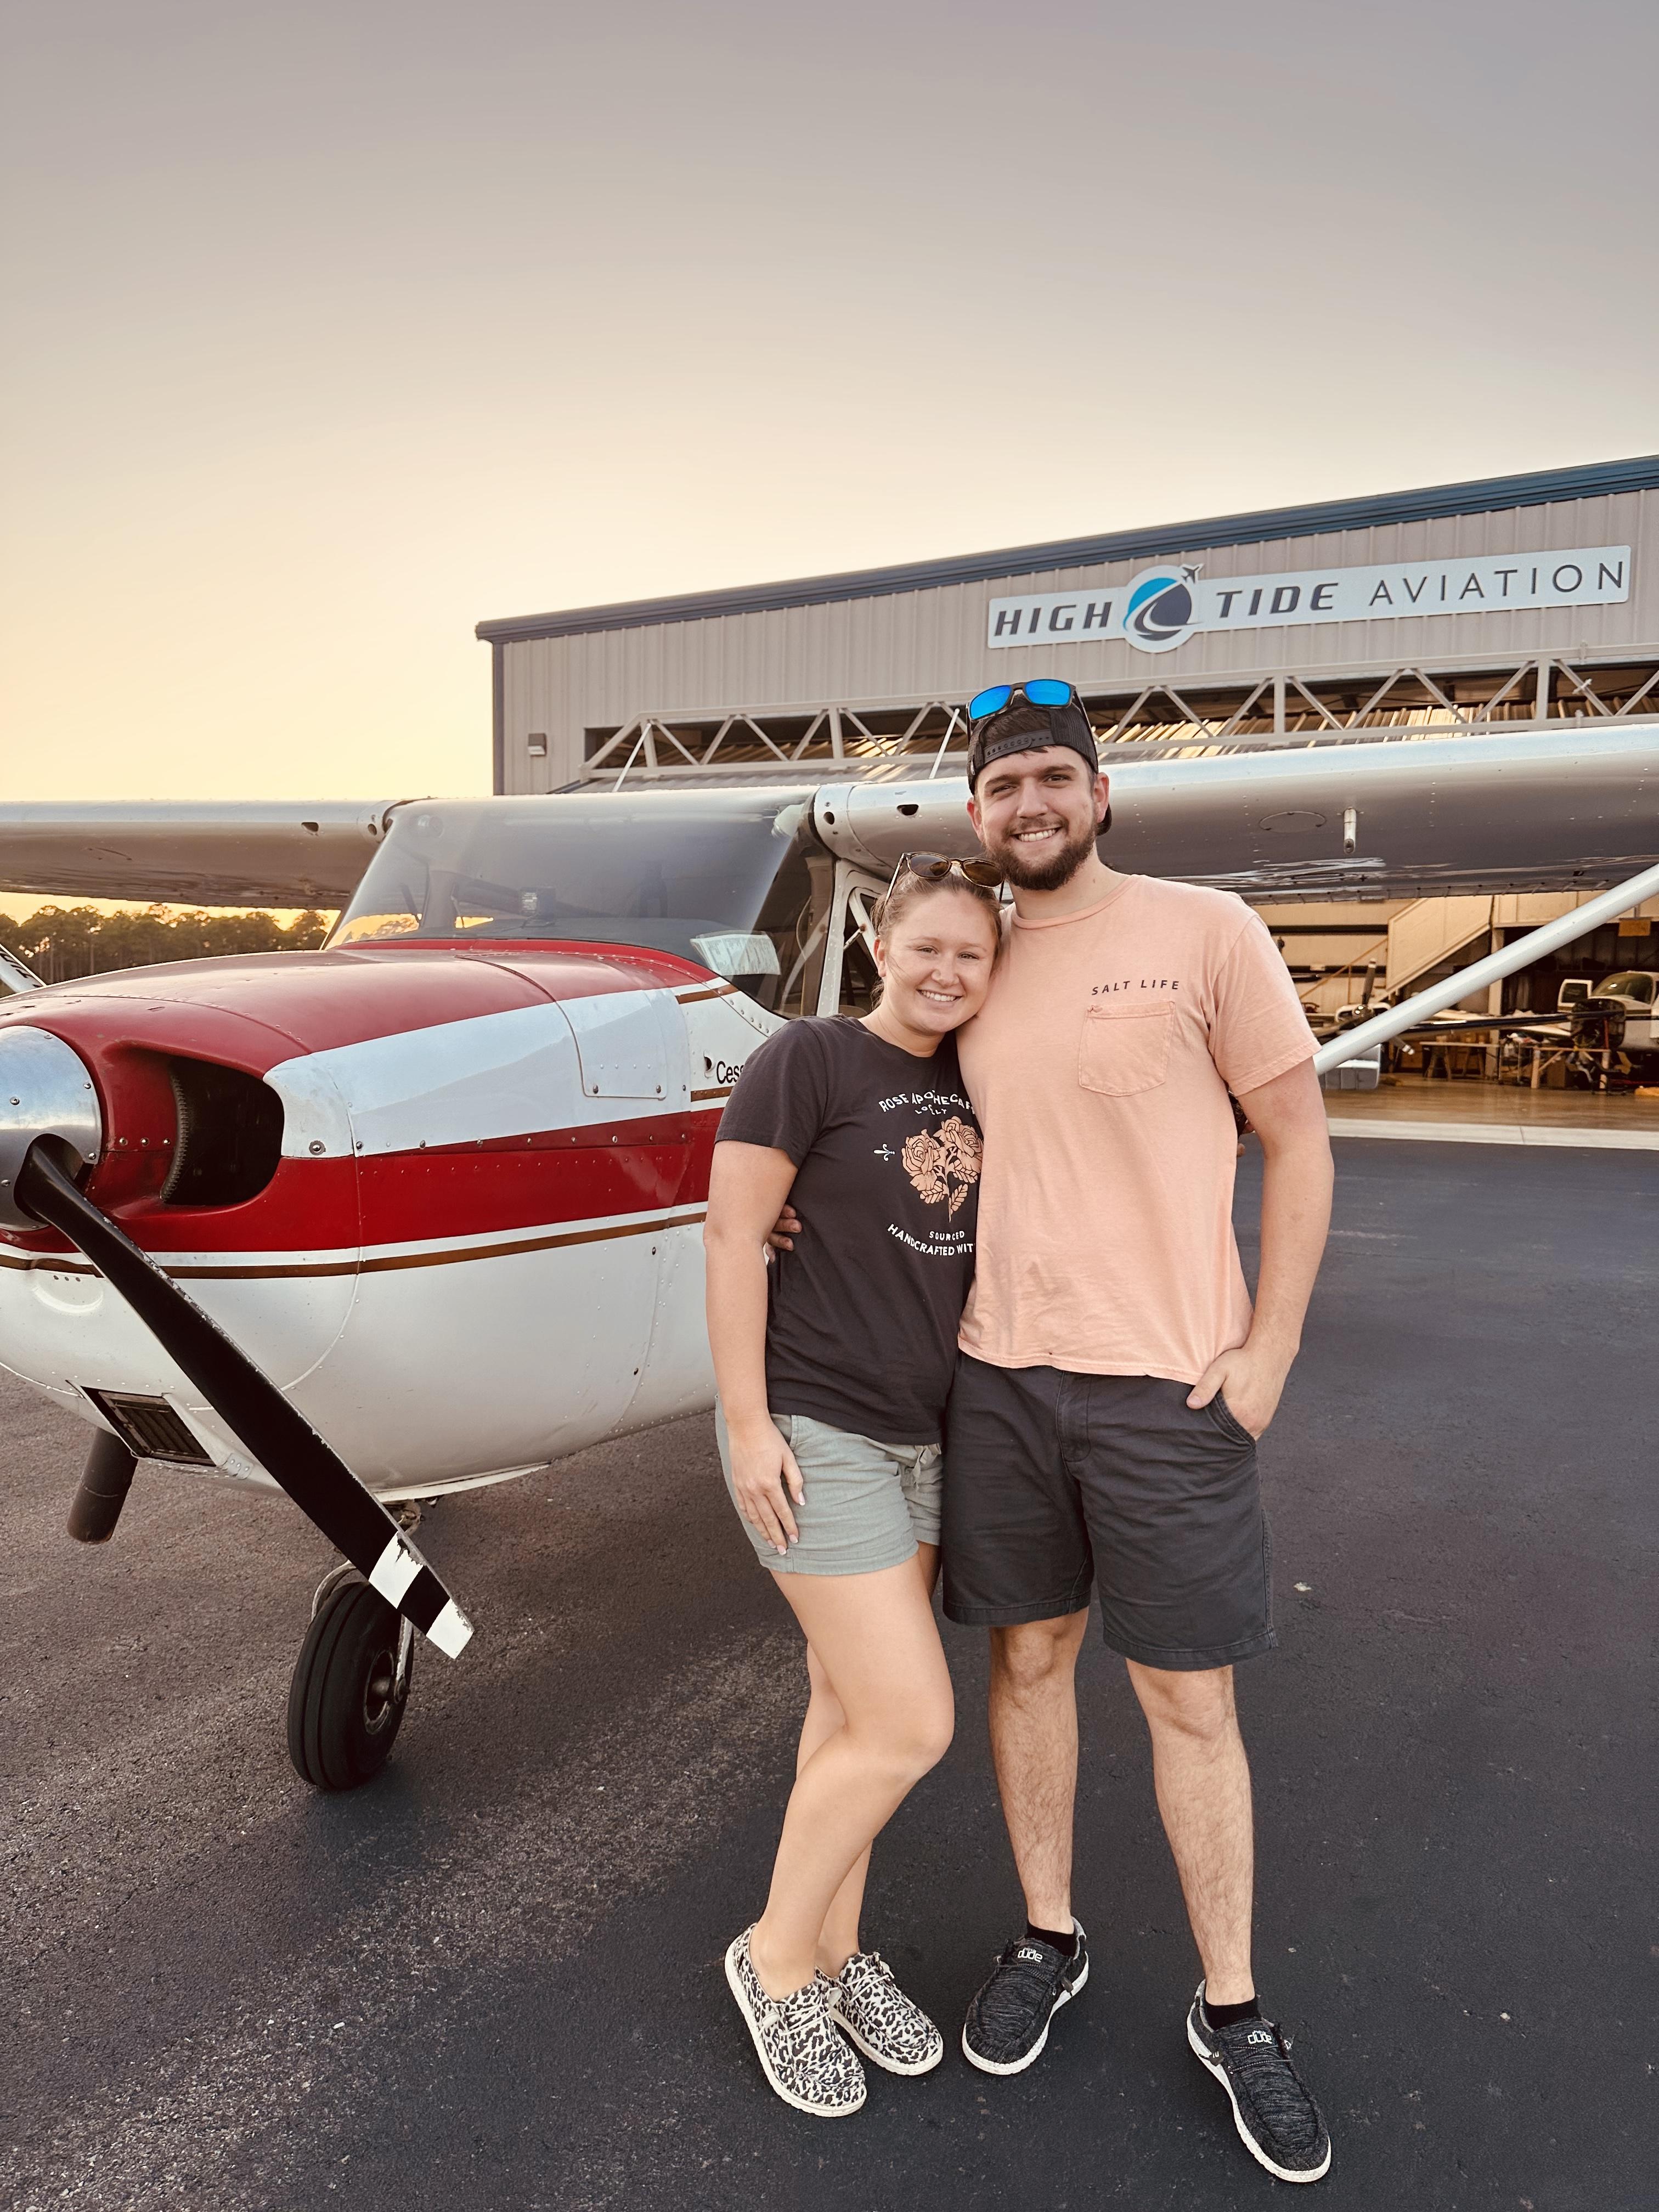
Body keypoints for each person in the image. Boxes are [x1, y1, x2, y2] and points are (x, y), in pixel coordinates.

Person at [774, 678, 1336, 2181]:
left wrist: (1271, 1344)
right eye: (1004, 784)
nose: (1030, 805)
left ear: (1100, 797)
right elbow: (882, 1125)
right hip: (998, 1385)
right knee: (1028, 1663)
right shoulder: (971, 967)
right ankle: (1048, 1936)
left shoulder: (1206, 932)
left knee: (1188, 1703)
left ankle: (1235, 2010)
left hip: (1167, 1388)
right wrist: (781, 1239)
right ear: (976, 814)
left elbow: (1299, 1140)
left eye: (1054, 779)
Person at [703, 859, 1002, 2118]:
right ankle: (773, 1962)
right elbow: (731, 1234)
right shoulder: (811, 1060)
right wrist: (745, 1421)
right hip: (817, 1427)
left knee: (846, 1710)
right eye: (926, 946)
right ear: (885, 942)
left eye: (971, 956)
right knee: (910, 1723)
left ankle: (838, 1950)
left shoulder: (985, 1079)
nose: (946, 972)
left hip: (934, 1435)